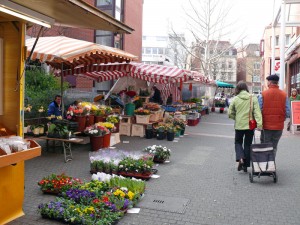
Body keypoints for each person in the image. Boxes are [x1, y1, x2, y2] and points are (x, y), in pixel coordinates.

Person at [228, 81, 262, 172]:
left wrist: (235, 117)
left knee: (238, 142)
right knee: (248, 144)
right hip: (250, 126)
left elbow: (230, 112)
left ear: (237, 89)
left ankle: (241, 158)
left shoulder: (235, 99)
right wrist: (259, 124)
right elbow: (257, 112)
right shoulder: (253, 97)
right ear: (246, 88)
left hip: (239, 125)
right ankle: (246, 166)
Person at [258, 74, 290, 157]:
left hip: (266, 125)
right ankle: (271, 165)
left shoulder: (263, 94)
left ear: (270, 82)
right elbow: (288, 111)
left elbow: (259, 109)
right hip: (279, 126)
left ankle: (265, 164)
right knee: (274, 146)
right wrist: (282, 118)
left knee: (265, 145)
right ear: (277, 83)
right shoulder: (284, 95)